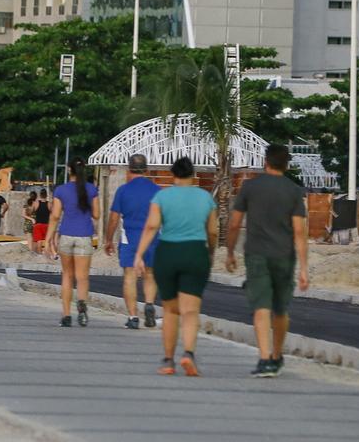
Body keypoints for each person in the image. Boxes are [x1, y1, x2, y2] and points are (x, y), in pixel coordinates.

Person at [225, 143, 310, 378]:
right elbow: (299, 232)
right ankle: (276, 355)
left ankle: (264, 359)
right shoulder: (294, 191)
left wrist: (230, 252)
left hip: (257, 256)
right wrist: (304, 269)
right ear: (286, 164)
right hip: (285, 256)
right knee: (280, 310)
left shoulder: (250, 187)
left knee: (261, 306)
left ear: (266, 161)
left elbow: (234, 224)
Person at [133, 156, 217, 377]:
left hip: (168, 254)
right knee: (190, 311)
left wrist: (139, 255)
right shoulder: (205, 197)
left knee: (171, 310)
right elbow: (213, 231)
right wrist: (211, 251)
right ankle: (188, 354)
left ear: (173, 175)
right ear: (193, 175)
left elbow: (152, 226)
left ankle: (168, 360)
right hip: (195, 253)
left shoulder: (162, 196)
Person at [104, 154, 161, 330]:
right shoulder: (157, 190)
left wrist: (108, 240)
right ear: (146, 170)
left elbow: (114, 218)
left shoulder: (123, 191)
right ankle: (150, 304)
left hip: (129, 238)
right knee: (150, 274)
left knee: (130, 276)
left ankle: (133, 317)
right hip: (152, 238)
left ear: (129, 169)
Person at [45, 158, 99, 327]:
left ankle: (66, 315)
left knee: (67, 276)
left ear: (69, 170)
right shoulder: (92, 189)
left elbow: (54, 216)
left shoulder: (61, 190)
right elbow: (97, 215)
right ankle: (82, 309)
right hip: (84, 236)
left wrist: (48, 239)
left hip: (66, 235)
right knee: (82, 278)